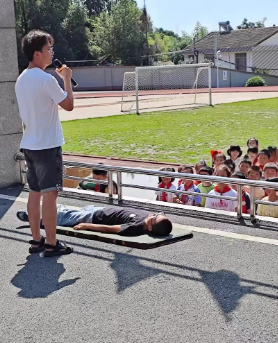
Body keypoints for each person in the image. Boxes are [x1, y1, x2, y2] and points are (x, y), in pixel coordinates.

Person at [15, 29, 75, 256]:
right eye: (49, 49)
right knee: (50, 195)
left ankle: (36, 240)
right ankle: (51, 242)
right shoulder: (46, 79)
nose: (51, 53)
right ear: (37, 53)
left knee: (34, 193)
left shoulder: (21, 79)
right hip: (48, 145)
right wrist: (67, 80)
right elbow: (68, 104)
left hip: (30, 143)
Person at [17, 205, 173, 239]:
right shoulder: (148, 220)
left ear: (150, 227)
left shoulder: (137, 227)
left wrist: (87, 226)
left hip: (93, 218)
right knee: (65, 211)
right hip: (99, 209)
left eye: (154, 217)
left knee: (63, 217)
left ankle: (33, 219)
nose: (153, 214)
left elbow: (110, 229)